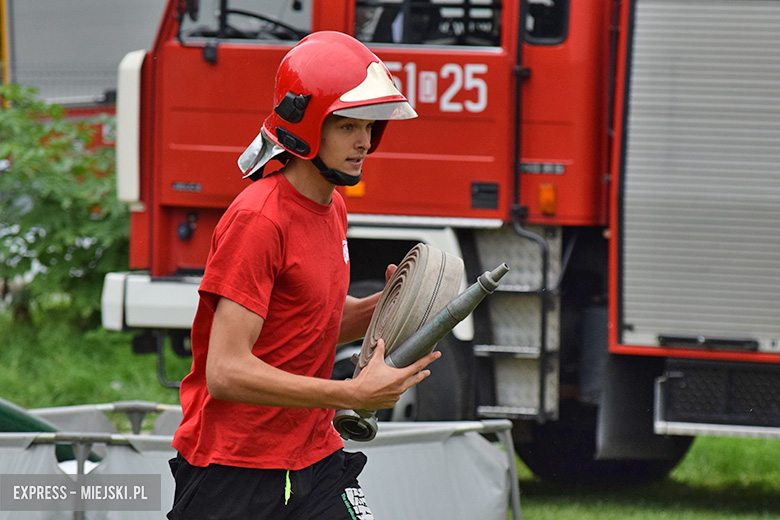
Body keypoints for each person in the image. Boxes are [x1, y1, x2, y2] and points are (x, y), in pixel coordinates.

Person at [167, 31, 437, 520]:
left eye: (369, 126)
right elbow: (226, 371)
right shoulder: (259, 220)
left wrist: (391, 304)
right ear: (307, 126)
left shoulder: (333, 208)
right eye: (348, 126)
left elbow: (310, 322)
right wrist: (351, 393)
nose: (365, 141)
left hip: (315, 455)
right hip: (232, 469)